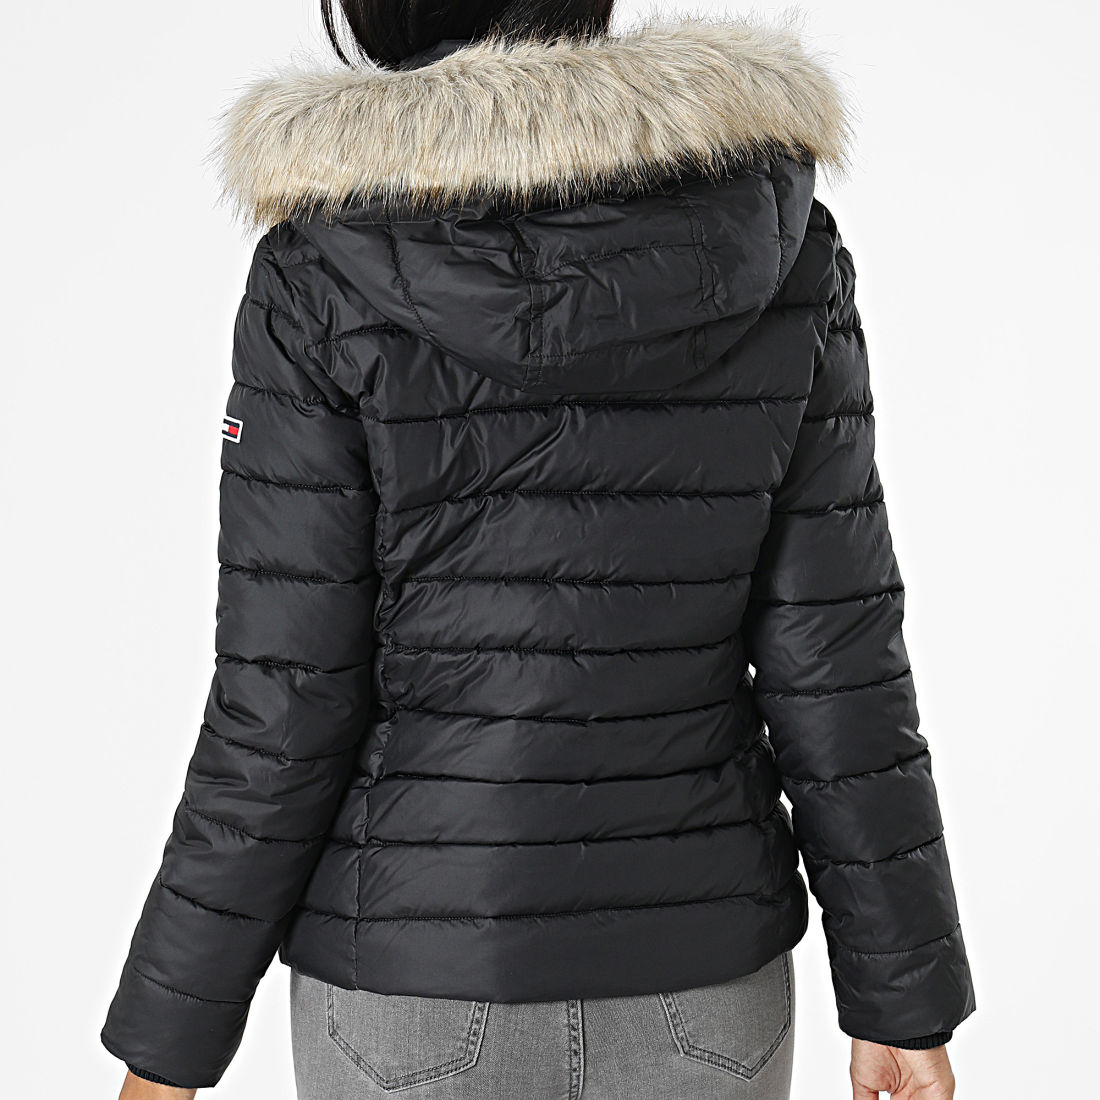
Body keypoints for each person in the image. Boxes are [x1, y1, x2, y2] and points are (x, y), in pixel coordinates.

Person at [101, 3, 975, 1097]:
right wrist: (901, 995)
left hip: (409, 997)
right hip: (703, 993)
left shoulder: (319, 271)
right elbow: (836, 664)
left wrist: (168, 1045)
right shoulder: (776, 245)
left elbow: (283, 701)